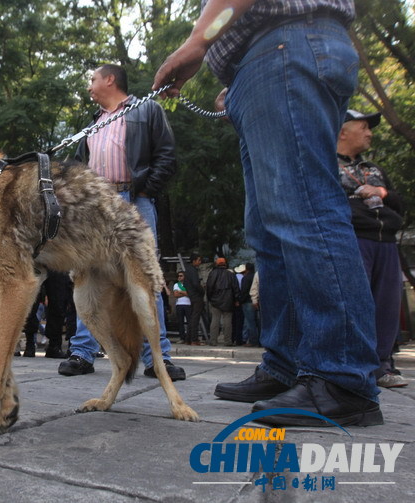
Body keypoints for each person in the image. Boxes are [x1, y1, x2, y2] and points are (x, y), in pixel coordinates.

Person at [153, 0, 383, 426]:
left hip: (285, 46)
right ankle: (288, 365)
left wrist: (197, 41)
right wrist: (238, 78)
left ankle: (342, 378)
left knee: (305, 212)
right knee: (268, 231)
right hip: (266, 60)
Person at [57, 64, 185, 381]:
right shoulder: (92, 123)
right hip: (96, 207)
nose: (90, 85)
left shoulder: (147, 110)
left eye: (93, 78)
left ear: (110, 79)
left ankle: (159, 358)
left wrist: (143, 191)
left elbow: (166, 155)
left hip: (134, 201)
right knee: (89, 277)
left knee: (144, 278)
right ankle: (82, 353)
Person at [338, 110, 407, 388]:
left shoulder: (375, 169)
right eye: (363, 127)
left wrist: (383, 193)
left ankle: (382, 365)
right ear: (342, 131)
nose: (370, 133)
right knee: (356, 303)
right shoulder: (326, 165)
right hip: (354, 238)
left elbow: (400, 206)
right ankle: (354, 364)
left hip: (386, 242)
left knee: (388, 304)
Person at [205, 257, 238, 346]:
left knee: (215, 320)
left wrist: (210, 298)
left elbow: (209, 287)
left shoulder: (212, 274)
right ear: (225, 264)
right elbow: (235, 288)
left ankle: (213, 340)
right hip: (228, 300)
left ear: (216, 264)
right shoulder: (230, 274)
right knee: (227, 321)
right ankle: (227, 341)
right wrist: (236, 299)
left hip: (215, 300)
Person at [182, 253, 207, 345]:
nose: (200, 262)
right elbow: (196, 283)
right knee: (195, 318)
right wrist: (202, 290)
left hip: (192, 295)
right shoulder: (192, 271)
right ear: (194, 261)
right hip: (196, 296)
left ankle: (188, 338)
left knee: (193, 317)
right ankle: (194, 339)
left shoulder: (187, 270)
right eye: (199, 260)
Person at [237, 263, 259, 347]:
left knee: (250, 322)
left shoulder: (245, 278)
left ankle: (253, 341)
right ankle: (256, 339)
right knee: (256, 321)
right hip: (256, 301)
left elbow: (244, 291)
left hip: (247, 302)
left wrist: (240, 300)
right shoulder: (255, 275)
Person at [172, 271, 195, 345]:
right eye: (178, 276)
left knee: (190, 322)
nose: (179, 277)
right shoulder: (176, 284)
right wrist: (185, 293)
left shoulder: (188, 284)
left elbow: (190, 294)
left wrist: (180, 292)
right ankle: (182, 337)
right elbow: (175, 294)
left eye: (181, 276)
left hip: (188, 304)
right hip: (179, 304)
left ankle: (189, 337)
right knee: (180, 322)